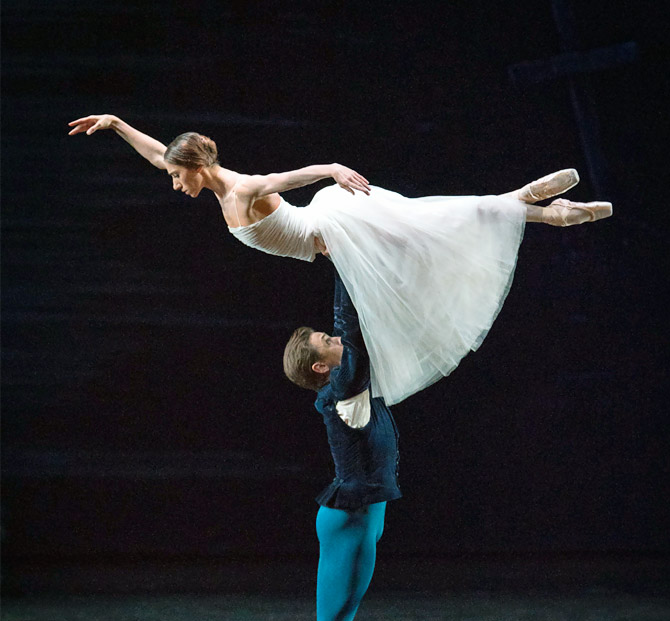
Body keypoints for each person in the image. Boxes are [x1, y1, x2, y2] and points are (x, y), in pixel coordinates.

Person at [68, 114, 612, 405]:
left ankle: (530, 206)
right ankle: (538, 209)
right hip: (330, 234)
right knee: (427, 229)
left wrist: (330, 168)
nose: (172, 183)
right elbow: (158, 152)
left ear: (197, 167)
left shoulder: (240, 190)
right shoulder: (215, 187)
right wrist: (116, 124)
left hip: (332, 229)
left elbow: (284, 179)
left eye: (175, 175)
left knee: (429, 233)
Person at [282, 271, 401, 621]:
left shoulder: (351, 384)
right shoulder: (341, 387)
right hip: (347, 521)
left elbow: (356, 330)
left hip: (362, 518)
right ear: (320, 365)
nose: (335, 341)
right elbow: (347, 322)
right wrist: (345, 259)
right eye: (326, 343)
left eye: (331, 338)